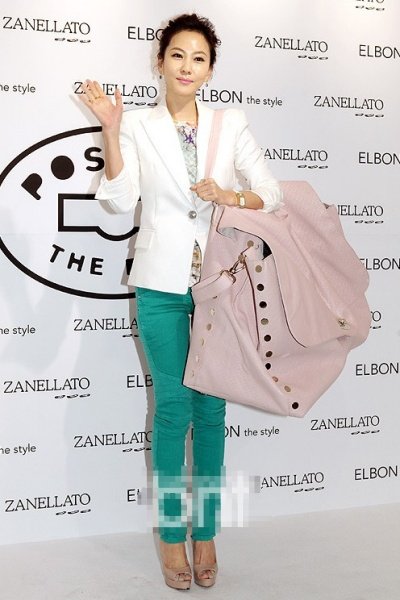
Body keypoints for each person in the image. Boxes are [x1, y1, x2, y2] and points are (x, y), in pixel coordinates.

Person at [80, 12, 282, 590]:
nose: (187, 66)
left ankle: (207, 531)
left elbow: (268, 193)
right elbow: (120, 201)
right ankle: (172, 537)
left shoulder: (229, 123)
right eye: (178, 55)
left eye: (199, 58)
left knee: (212, 412)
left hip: (221, 287)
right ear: (160, 62)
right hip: (160, 284)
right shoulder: (138, 125)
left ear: (210, 69)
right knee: (172, 410)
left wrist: (229, 195)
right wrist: (110, 131)